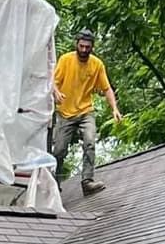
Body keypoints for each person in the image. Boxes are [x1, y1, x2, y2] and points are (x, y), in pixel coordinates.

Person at [52, 29, 121, 194]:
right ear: (76, 44)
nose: (84, 50)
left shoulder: (97, 64)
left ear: (92, 47)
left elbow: (107, 88)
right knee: (59, 150)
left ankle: (87, 181)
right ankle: (54, 182)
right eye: (81, 46)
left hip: (85, 111)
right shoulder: (66, 60)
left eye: (87, 47)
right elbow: (52, 81)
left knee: (90, 142)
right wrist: (56, 92)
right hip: (65, 112)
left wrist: (115, 109)